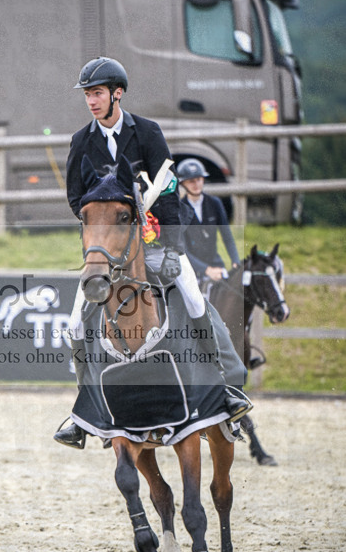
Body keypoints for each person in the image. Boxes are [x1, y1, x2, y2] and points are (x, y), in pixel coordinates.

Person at [54, 57, 251, 449]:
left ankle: (224, 388)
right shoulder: (81, 142)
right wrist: (106, 221)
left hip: (155, 243)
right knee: (76, 323)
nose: (91, 101)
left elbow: (169, 188)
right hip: (106, 250)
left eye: (97, 93)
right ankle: (86, 411)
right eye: (88, 95)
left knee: (195, 300)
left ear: (117, 94)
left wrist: (169, 244)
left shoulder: (146, 132)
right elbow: (76, 199)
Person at [177, 158, 241, 286]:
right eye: (191, 181)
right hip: (192, 268)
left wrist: (235, 261)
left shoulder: (215, 203)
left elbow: (227, 236)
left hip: (215, 264)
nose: (196, 184)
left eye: (199, 180)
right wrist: (206, 270)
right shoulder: (180, 209)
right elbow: (182, 249)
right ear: (183, 183)